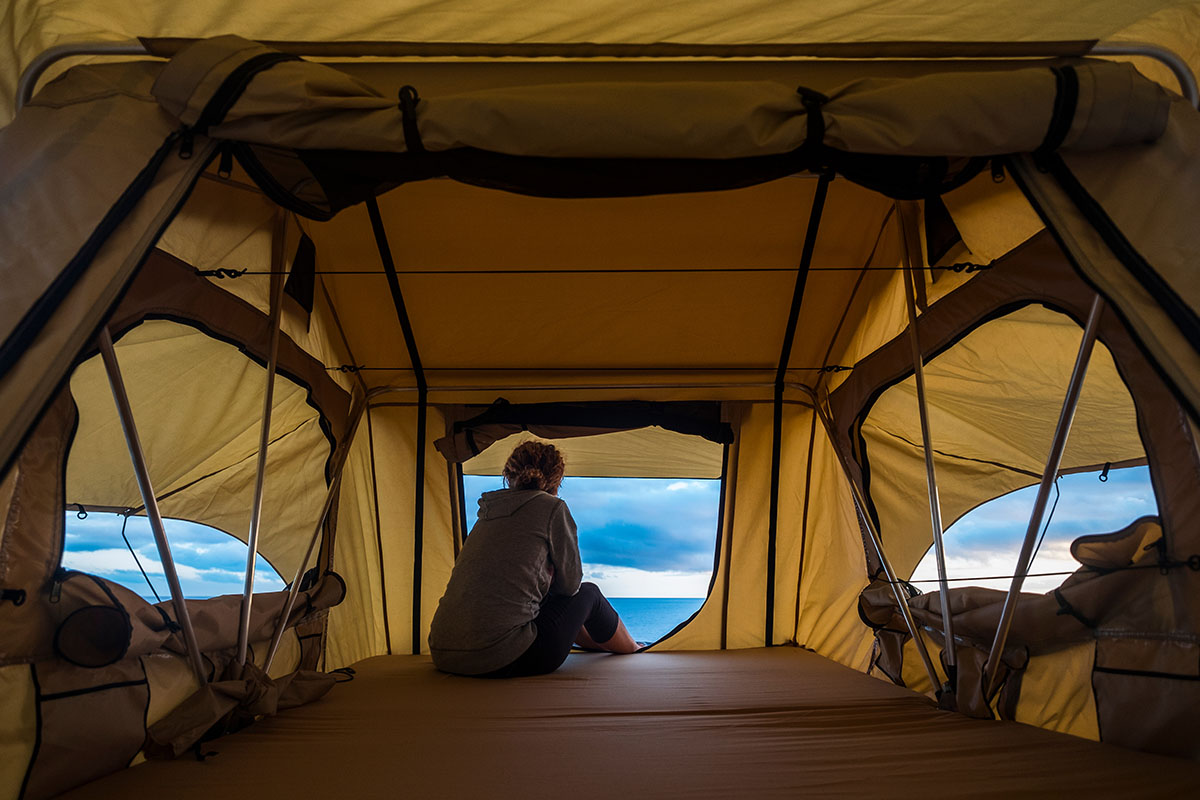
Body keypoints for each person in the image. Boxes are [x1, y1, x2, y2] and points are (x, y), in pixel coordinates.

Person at [429, 441, 639, 677]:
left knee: (546, 601)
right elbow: (571, 587)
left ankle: (598, 643)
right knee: (589, 593)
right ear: (557, 479)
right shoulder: (552, 507)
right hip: (501, 657)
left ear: (508, 475)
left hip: (443, 652)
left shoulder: (486, 514)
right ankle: (634, 648)